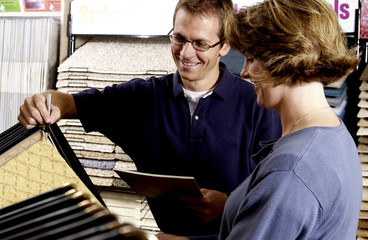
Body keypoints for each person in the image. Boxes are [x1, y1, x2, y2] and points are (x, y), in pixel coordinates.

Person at [17, 0, 282, 238]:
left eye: (200, 43)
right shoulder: (142, 98)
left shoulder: (258, 104)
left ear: (224, 46)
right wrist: (44, 103)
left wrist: (230, 205)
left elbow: (278, 197)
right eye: (179, 38)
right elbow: (69, 103)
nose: (186, 53)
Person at [156, 0, 362, 239]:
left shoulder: (290, 171)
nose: (243, 72)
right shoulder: (333, 134)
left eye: (252, 58)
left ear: (286, 59)